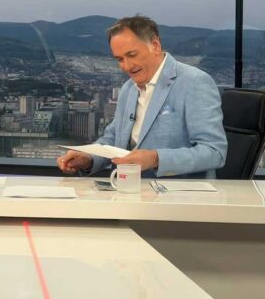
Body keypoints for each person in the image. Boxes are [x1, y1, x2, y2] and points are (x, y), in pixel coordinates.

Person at [57, 15, 227, 179]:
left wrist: (156, 158)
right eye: (120, 59)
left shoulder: (194, 82)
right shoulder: (128, 88)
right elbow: (113, 140)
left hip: (177, 194)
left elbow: (214, 152)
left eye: (132, 55)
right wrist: (88, 158)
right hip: (127, 189)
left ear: (155, 45)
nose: (126, 66)